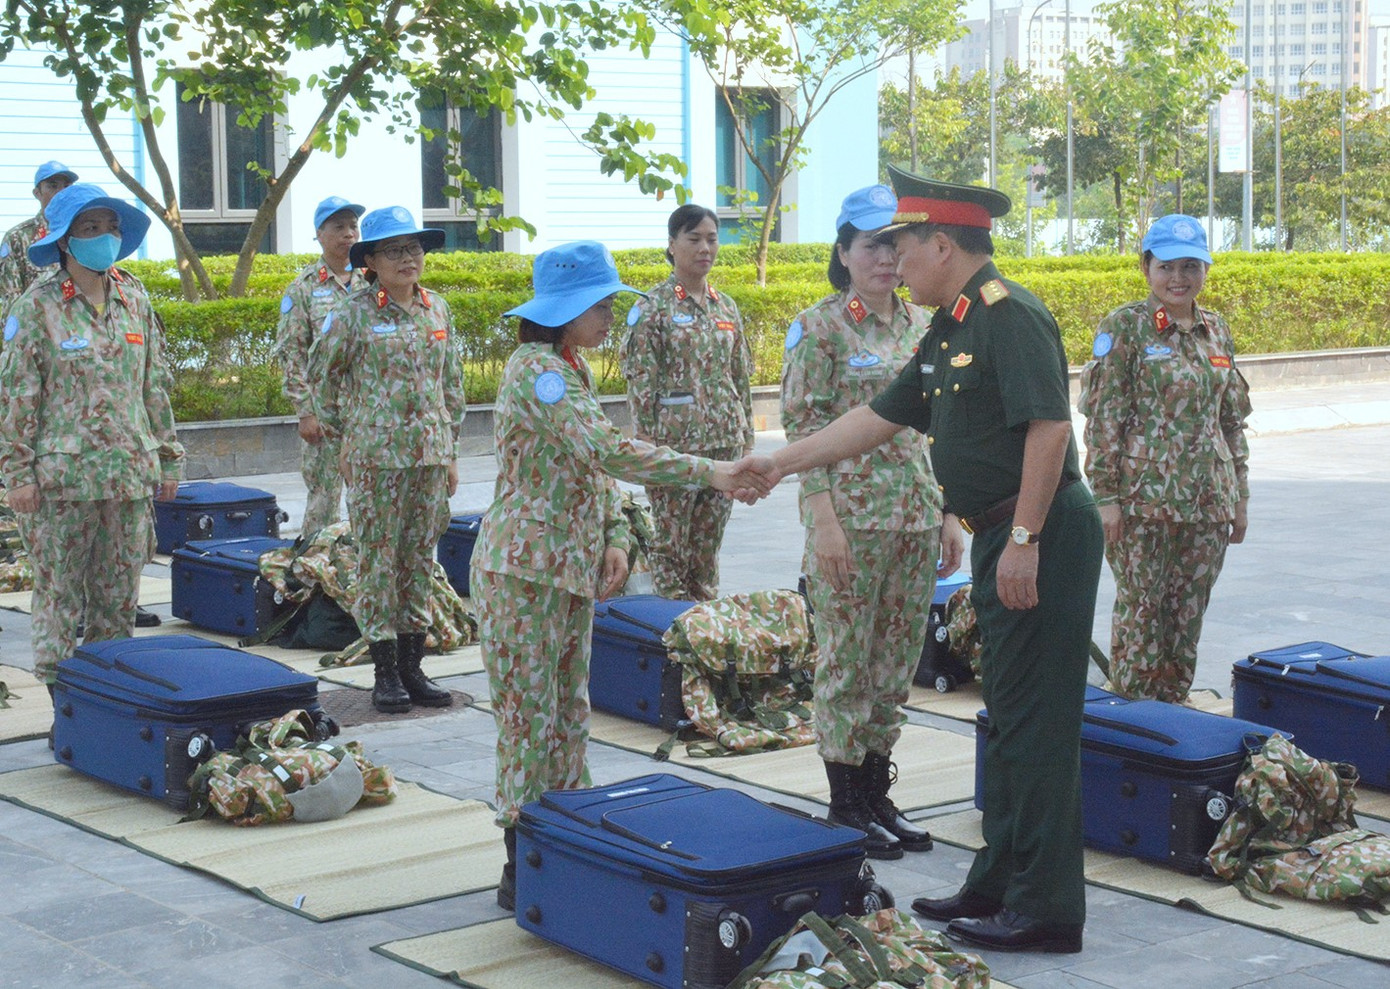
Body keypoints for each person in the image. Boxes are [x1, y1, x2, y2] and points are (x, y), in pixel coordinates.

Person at [736, 167, 1102, 954]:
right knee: (1005, 718)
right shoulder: (950, 327)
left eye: (905, 245)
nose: (895, 260)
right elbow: (873, 418)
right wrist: (780, 462)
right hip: (1006, 531)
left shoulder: (1011, 317)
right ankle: (998, 878)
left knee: (1038, 725)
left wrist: (1028, 540)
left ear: (944, 243)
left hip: (1038, 533)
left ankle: (1046, 906)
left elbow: (1049, 430)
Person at [472, 241, 754, 911]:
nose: (607, 317)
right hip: (523, 574)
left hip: (561, 570)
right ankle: (521, 854)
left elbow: (589, 471)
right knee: (527, 718)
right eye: (598, 306)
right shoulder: (536, 372)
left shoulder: (569, 368)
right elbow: (606, 448)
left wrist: (619, 537)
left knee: (568, 715)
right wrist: (707, 469)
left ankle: (561, 839)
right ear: (563, 311)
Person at [781, 184, 947, 860]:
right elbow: (802, 428)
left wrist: (948, 510)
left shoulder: (920, 324)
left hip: (914, 517)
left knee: (894, 663)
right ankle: (844, 801)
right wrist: (822, 520)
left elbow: (933, 428)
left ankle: (877, 789)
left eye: (894, 243)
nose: (885, 257)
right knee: (847, 660)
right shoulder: (820, 327)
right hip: (849, 523)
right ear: (844, 252)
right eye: (871, 244)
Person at [0, 183, 183, 690]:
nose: (103, 237)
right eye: (89, 228)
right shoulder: (34, 308)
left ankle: (106, 702)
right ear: (63, 241)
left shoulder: (134, 297)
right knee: (60, 596)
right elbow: (16, 400)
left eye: (110, 227)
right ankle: (65, 705)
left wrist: (168, 459)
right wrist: (17, 476)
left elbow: (154, 385)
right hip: (62, 483)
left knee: (118, 598)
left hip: (126, 476)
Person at [1079, 215, 1251, 704]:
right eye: (1168, 266)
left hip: (1207, 503)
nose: (1180, 278)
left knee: (1188, 611)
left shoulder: (1215, 330)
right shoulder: (1125, 327)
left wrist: (1240, 497)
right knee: (1141, 612)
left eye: (1191, 266)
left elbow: (1232, 422)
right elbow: (1105, 420)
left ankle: (1175, 708)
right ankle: (1136, 717)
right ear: (1146, 266)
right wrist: (1106, 499)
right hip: (1141, 504)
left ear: (1205, 271)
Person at [308, 206, 465, 714]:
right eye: (395, 250)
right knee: (379, 563)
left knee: (419, 561)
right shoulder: (352, 313)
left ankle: (413, 666)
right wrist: (346, 445)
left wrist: (451, 452)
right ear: (370, 260)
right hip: (376, 460)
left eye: (415, 249)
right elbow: (323, 385)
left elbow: (452, 388)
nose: (408, 259)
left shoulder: (436, 308)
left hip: (430, 458)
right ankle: (384, 670)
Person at [620, 204, 754, 600]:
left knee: (708, 545)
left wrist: (745, 435)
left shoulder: (725, 306)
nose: (705, 248)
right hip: (673, 448)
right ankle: (671, 625)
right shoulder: (652, 307)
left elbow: (740, 373)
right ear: (672, 245)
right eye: (693, 239)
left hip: (723, 442)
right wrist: (645, 442)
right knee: (671, 544)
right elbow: (641, 378)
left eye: (712, 239)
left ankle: (704, 622)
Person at [273, 196, 367, 538]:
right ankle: (315, 574)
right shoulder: (303, 287)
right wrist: (304, 411)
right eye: (339, 227)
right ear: (319, 233)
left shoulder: (372, 283)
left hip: (366, 412)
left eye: (353, 226)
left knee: (367, 499)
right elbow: (292, 352)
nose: (349, 234)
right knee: (323, 501)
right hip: (324, 414)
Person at [0, 161, 78, 319]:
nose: (61, 192)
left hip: (82, 333)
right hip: (38, 332)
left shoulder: (83, 233)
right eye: (53, 186)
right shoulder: (18, 237)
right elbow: (11, 300)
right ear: (37, 193)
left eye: (67, 186)